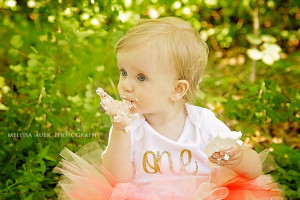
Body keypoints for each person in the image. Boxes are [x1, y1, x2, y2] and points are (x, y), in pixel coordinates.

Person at [54, 17, 283, 200]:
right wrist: (119, 128)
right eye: (123, 72)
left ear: (177, 89)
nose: (126, 84)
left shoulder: (202, 123)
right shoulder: (130, 125)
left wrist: (238, 157)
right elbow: (117, 178)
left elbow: (253, 170)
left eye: (141, 77)